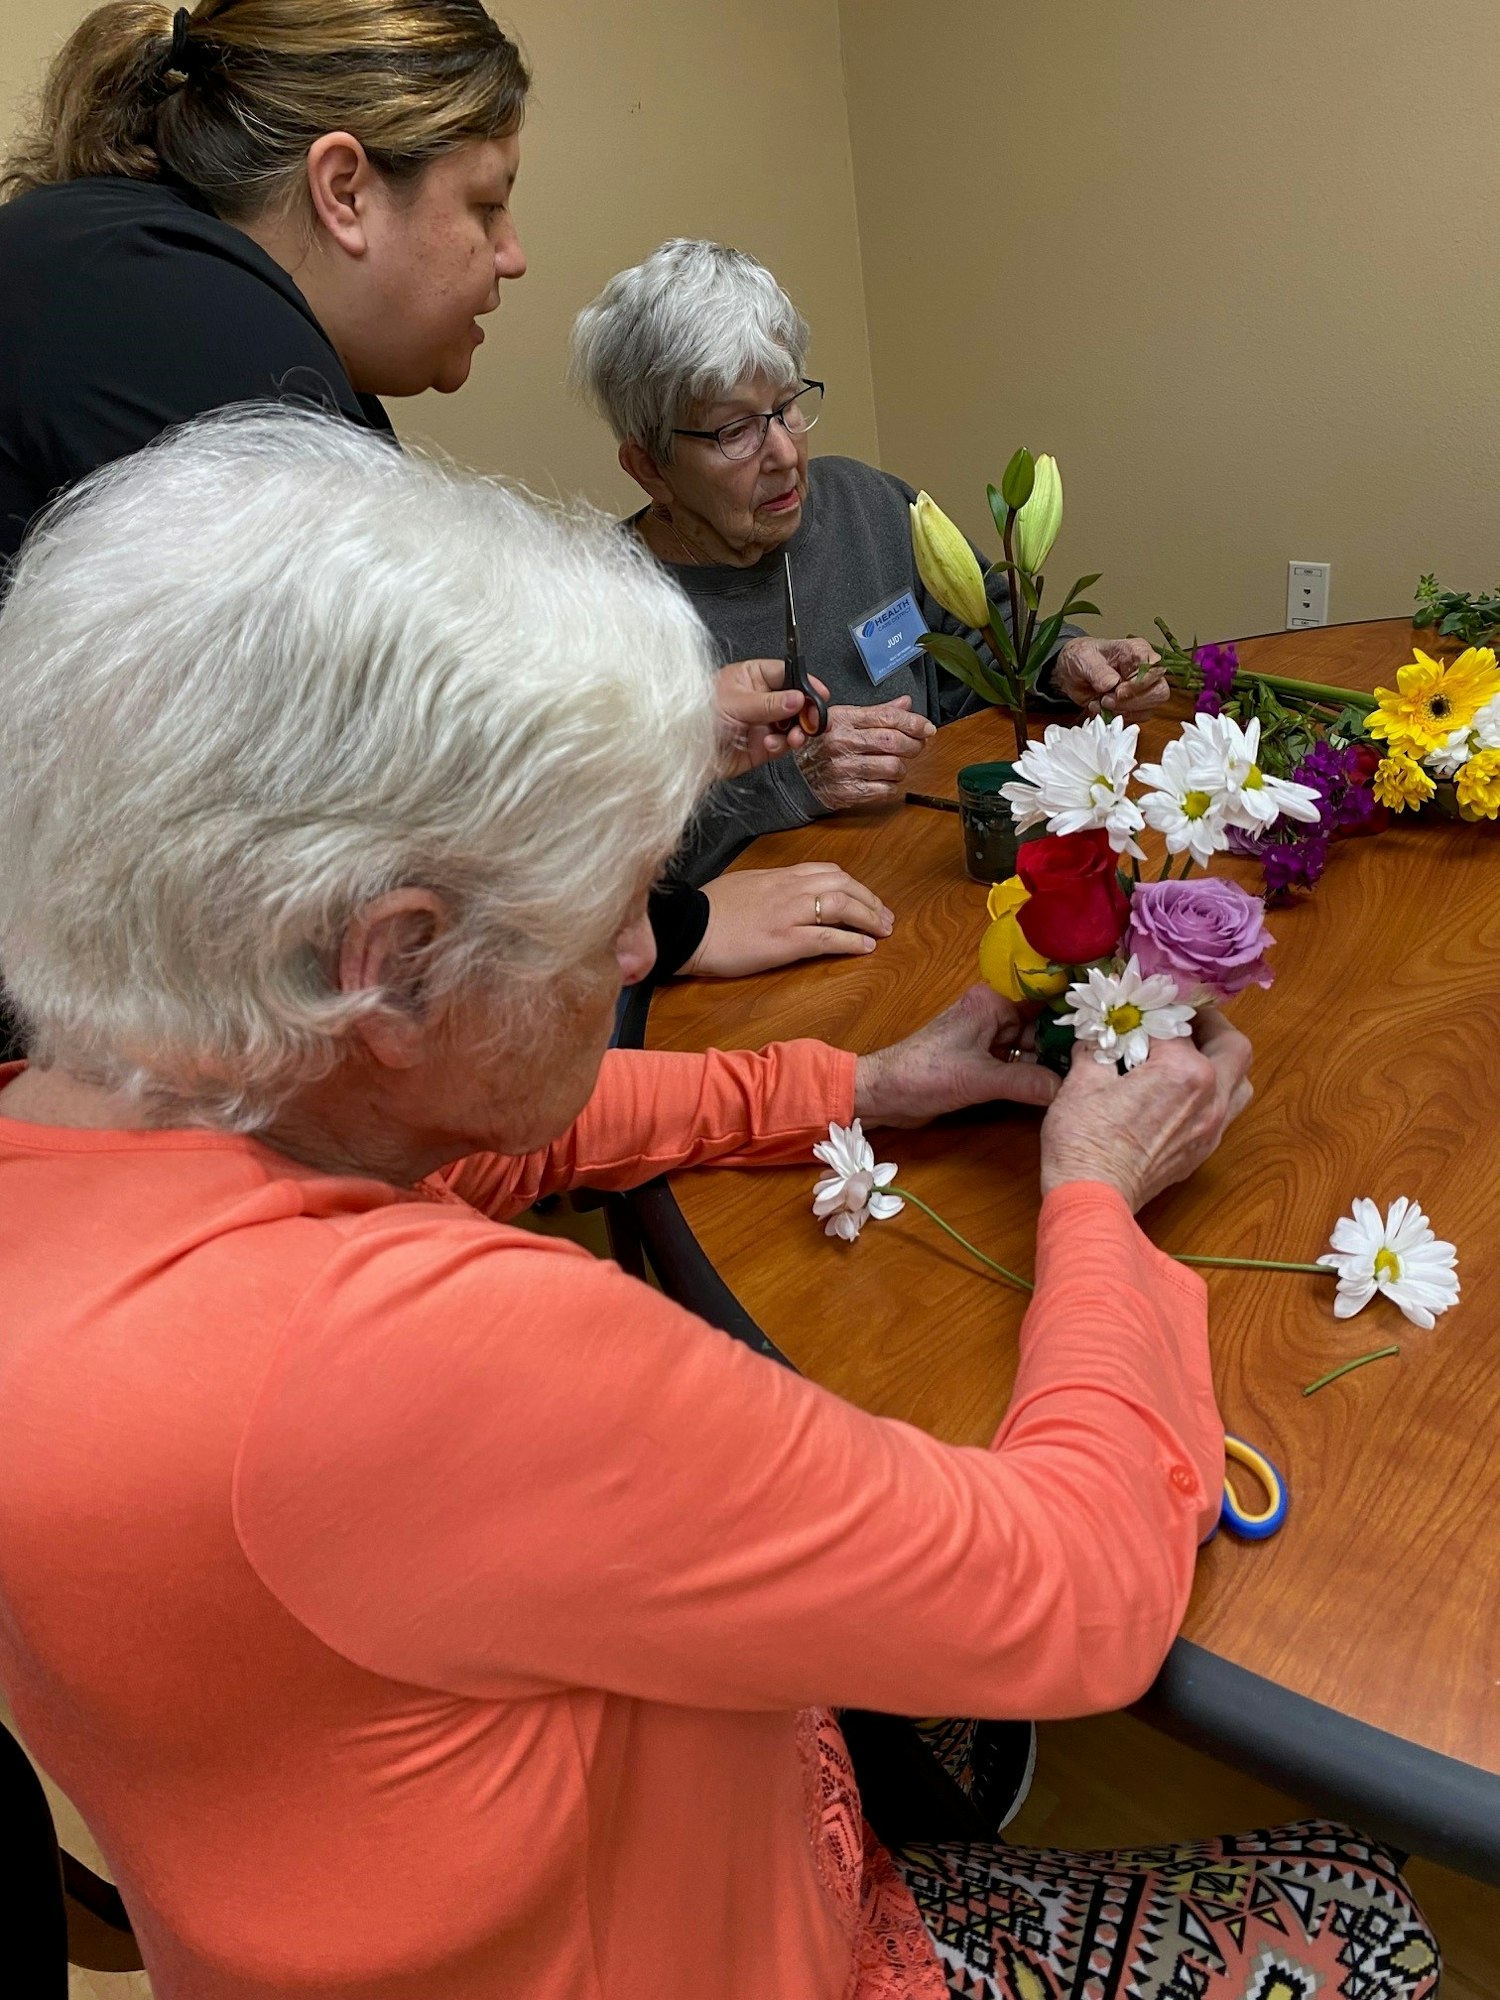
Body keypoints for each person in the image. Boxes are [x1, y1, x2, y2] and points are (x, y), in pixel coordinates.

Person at [0, 410, 1438, 2000]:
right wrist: (1094, 1192)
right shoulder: (421, 1367)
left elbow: (461, 1135)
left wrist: (851, 1088)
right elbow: (1077, 1597)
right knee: (1365, 1908)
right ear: (393, 964)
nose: (639, 953)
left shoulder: (106, 1121)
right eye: (615, 904)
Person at [0, 0, 862, 988]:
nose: (513, 254)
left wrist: (671, 735)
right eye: (487, 205)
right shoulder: (182, 319)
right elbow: (369, 773)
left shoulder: (165, 287)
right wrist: (677, 925)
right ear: (344, 191)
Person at [570, 238, 1173, 884]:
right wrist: (790, 784)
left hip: (926, 883)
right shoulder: (597, 612)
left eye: (787, 405)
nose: (783, 452)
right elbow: (589, 862)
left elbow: (979, 635)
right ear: (649, 468)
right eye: (735, 431)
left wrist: (1062, 664)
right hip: (754, 951)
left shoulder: (866, 504)